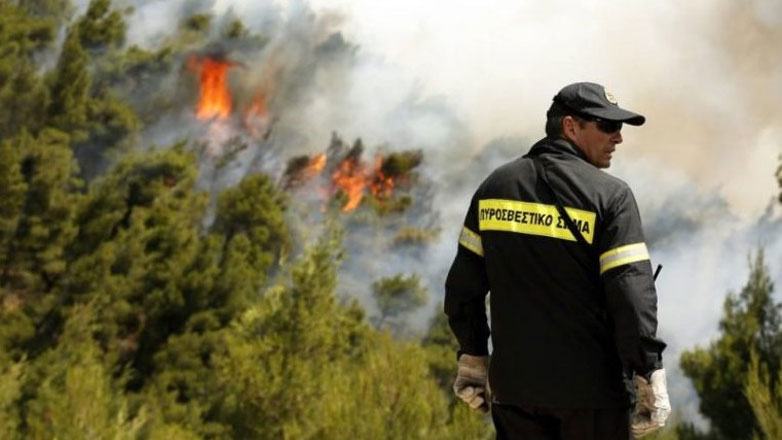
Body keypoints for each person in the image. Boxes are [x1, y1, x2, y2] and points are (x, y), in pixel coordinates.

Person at [445, 82, 670, 440]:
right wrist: (649, 373)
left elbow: (462, 289)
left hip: (514, 393)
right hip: (592, 396)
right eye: (608, 126)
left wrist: (472, 356)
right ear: (570, 126)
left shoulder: (495, 187)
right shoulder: (612, 197)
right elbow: (631, 296)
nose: (619, 138)